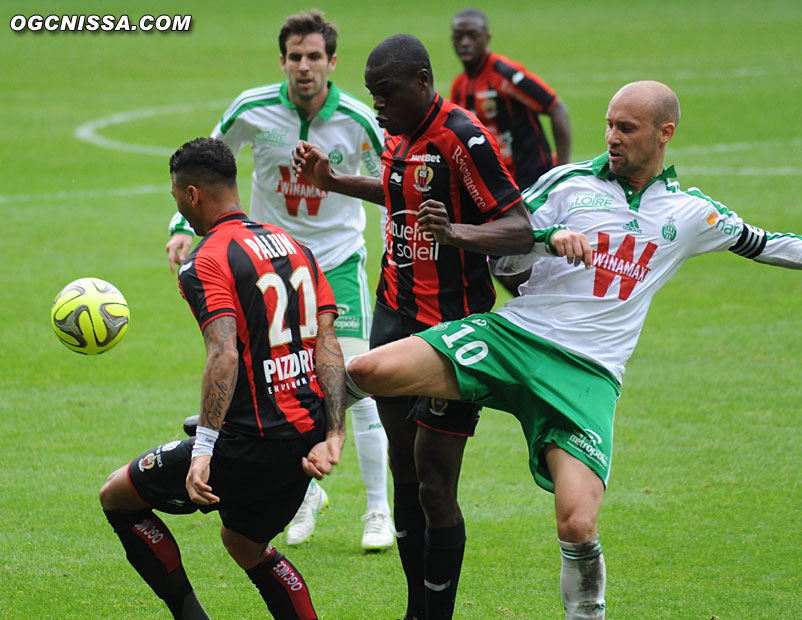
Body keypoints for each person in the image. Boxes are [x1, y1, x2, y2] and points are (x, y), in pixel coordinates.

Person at [340, 80, 802, 620]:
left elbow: (768, 244)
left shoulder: (691, 214)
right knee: (367, 369)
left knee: (578, 522)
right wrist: (546, 242)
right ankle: (309, 438)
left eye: (627, 128)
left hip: (588, 379)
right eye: (609, 125)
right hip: (515, 339)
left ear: (664, 133)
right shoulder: (569, 184)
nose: (612, 137)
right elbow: (504, 251)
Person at [292, 34, 533, 620]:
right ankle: (414, 610)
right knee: (404, 470)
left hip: (455, 331)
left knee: (433, 480)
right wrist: (335, 183)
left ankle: (437, 612)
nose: (378, 105)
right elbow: (398, 190)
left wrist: (458, 235)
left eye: (388, 92)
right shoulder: (398, 134)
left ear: (423, 82)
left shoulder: (462, 136)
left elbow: (518, 226)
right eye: (373, 94)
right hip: (395, 316)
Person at [163, 10, 393, 550]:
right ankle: (305, 489)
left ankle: (378, 511)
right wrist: (180, 225)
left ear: (332, 62)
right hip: (263, 262)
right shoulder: (253, 109)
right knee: (279, 382)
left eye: (315, 57)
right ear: (282, 61)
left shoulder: (358, 120)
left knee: (353, 378)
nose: (305, 67)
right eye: (295, 57)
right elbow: (209, 161)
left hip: (333, 262)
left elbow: (394, 176)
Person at [100, 137, 347, 620]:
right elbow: (328, 344)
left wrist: (205, 449)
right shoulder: (297, 248)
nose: (177, 205)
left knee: (117, 496)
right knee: (244, 545)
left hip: (247, 444)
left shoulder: (205, 260)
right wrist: (335, 433)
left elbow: (223, 352)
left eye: (176, 196)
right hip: (303, 442)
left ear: (192, 195)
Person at [450, 8, 571, 297]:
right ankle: (539, 306)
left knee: (512, 255)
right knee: (500, 259)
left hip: (534, 182)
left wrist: (561, 172)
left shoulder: (505, 74)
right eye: (458, 36)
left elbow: (556, 108)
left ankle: (542, 307)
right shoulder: (460, 87)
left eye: (472, 36)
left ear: (486, 38)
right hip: (501, 190)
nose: (464, 42)